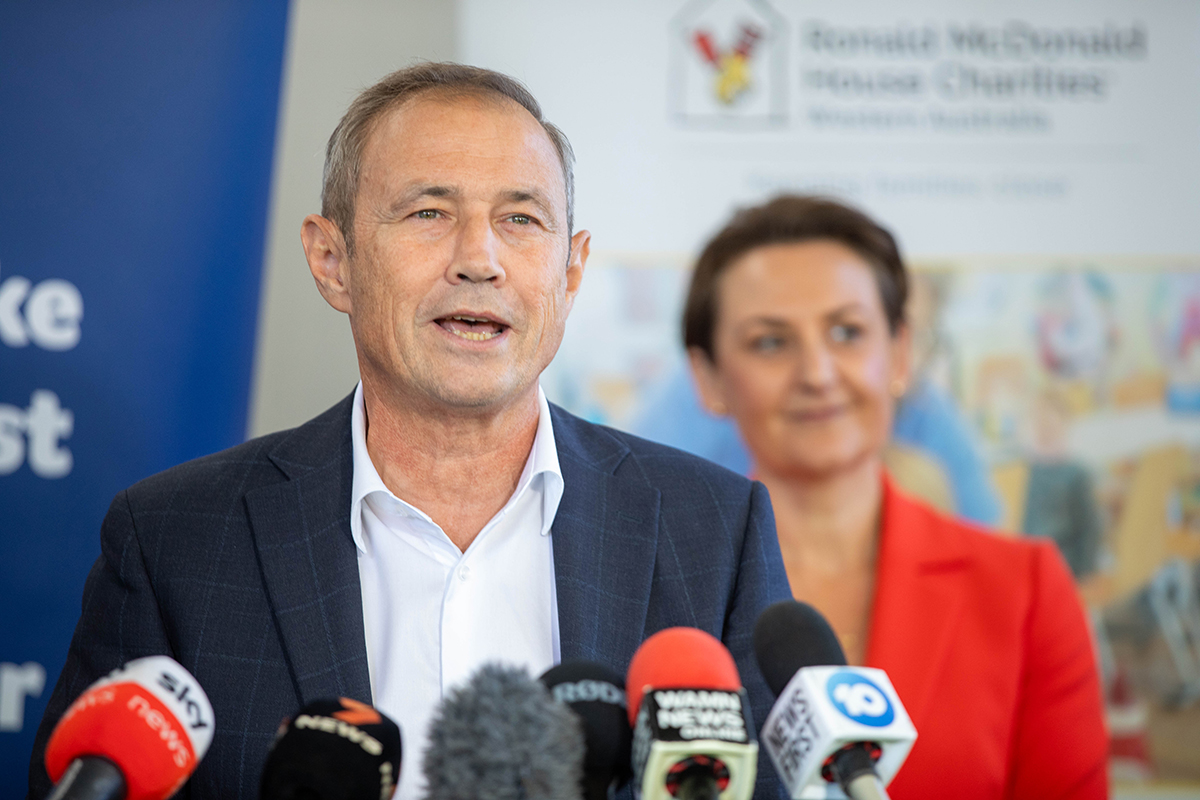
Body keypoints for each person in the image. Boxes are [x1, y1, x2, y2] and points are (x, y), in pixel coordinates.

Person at [27, 64, 792, 800]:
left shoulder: (713, 532)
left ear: (570, 270)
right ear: (332, 260)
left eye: (521, 219)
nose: (480, 261)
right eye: (429, 213)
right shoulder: (174, 542)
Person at [683, 195, 1107, 799]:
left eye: (847, 332)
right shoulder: (655, 584)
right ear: (709, 378)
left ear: (900, 354)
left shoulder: (1025, 592)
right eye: (770, 342)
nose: (818, 373)